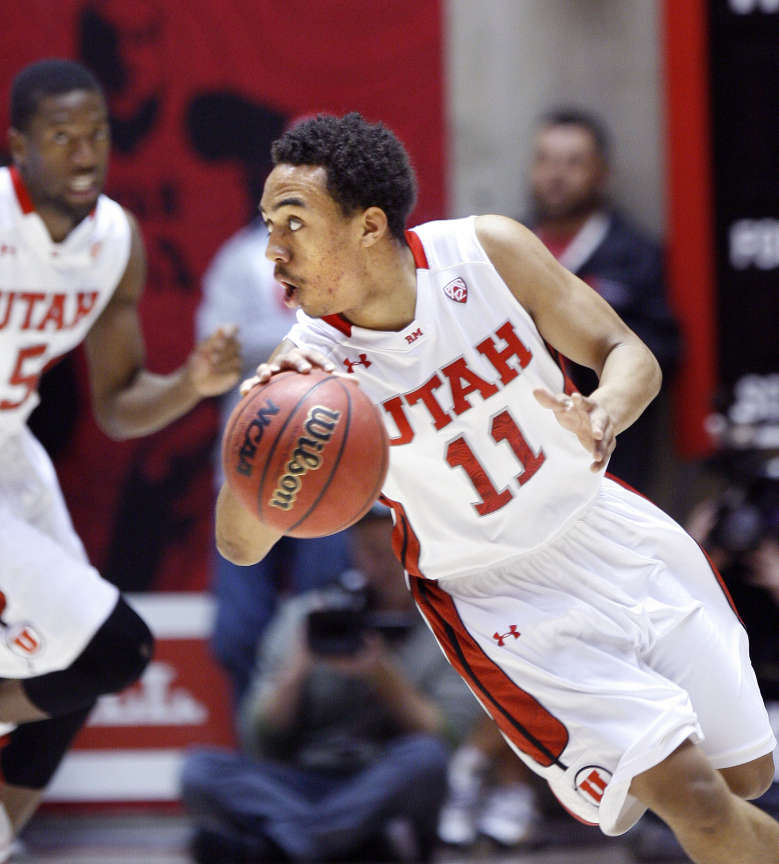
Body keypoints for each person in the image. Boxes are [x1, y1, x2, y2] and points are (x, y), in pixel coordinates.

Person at [216, 112, 779, 864]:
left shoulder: (486, 253)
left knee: (744, 779)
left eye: (294, 222)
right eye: (267, 224)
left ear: (367, 226)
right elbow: (239, 543)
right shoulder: (309, 372)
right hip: (499, 597)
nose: (273, 250)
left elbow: (627, 354)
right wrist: (263, 445)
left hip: (606, 526)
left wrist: (602, 411)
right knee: (699, 806)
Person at [0, 58, 241, 859]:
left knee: (74, 664)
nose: (83, 153)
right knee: (117, 648)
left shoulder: (115, 242)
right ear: (19, 147)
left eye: (95, 133)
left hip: (9, 448)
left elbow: (117, 402)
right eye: (59, 136)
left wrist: (190, 386)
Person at [181, 505, 481, 863]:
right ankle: (341, 844)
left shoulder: (445, 629)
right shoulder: (309, 615)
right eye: (369, 552)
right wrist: (297, 668)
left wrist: (382, 675)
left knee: (426, 761)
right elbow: (259, 740)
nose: (381, 564)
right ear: (351, 552)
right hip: (304, 780)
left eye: (390, 551)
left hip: (381, 780)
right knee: (200, 770)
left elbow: (447, 739)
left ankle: (282, 848)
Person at [196, 217, 352, 711]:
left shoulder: (347, 251)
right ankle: (258, 749)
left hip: (334, 468)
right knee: (237, 633)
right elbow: (217, 354)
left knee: (328, 624)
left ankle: (321, 751)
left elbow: (369, 336)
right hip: (250, 469)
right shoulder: (240, 257)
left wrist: (280, 347)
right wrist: (316, 338)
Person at [527, 107, 680, 495]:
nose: (556, 175)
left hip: (613, 462)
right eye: (546, 160)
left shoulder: (637, 254)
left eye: (573, 162)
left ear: (601, 172)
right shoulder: (511, 250)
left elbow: (660, 353)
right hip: (526, 462)